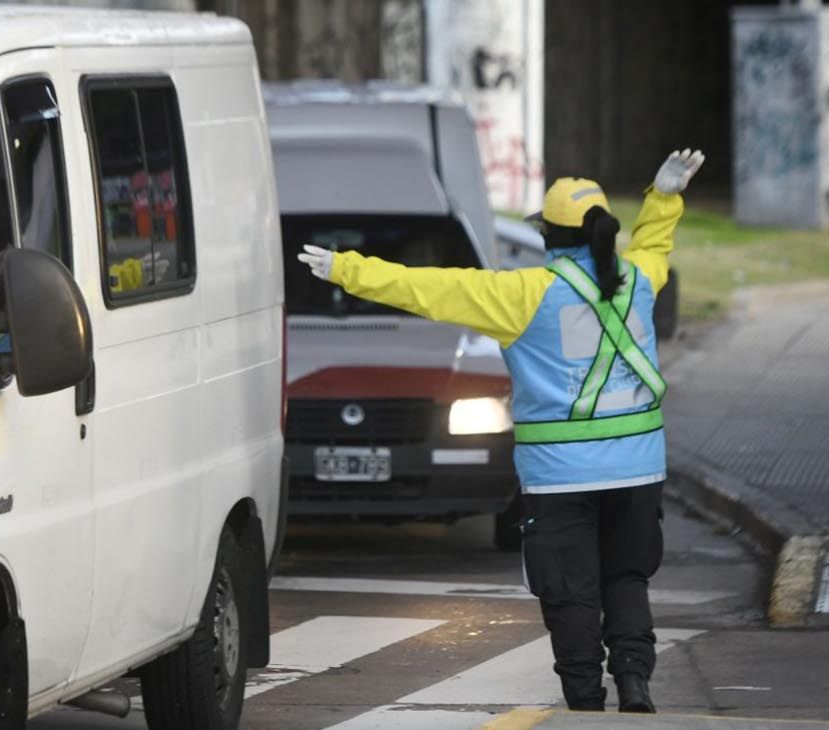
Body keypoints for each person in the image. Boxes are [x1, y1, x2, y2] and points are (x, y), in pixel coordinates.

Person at [297, 149, 705, 713]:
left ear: (550, 237)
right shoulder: (638, 280)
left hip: (559, 481)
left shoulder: (523, 294)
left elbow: (430, 288)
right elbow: (655, 248)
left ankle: (585, 699)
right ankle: (635, 682)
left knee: (571, 593)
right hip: (637, 471)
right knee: (627, 579)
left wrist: (346, 269)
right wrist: (663, 197)